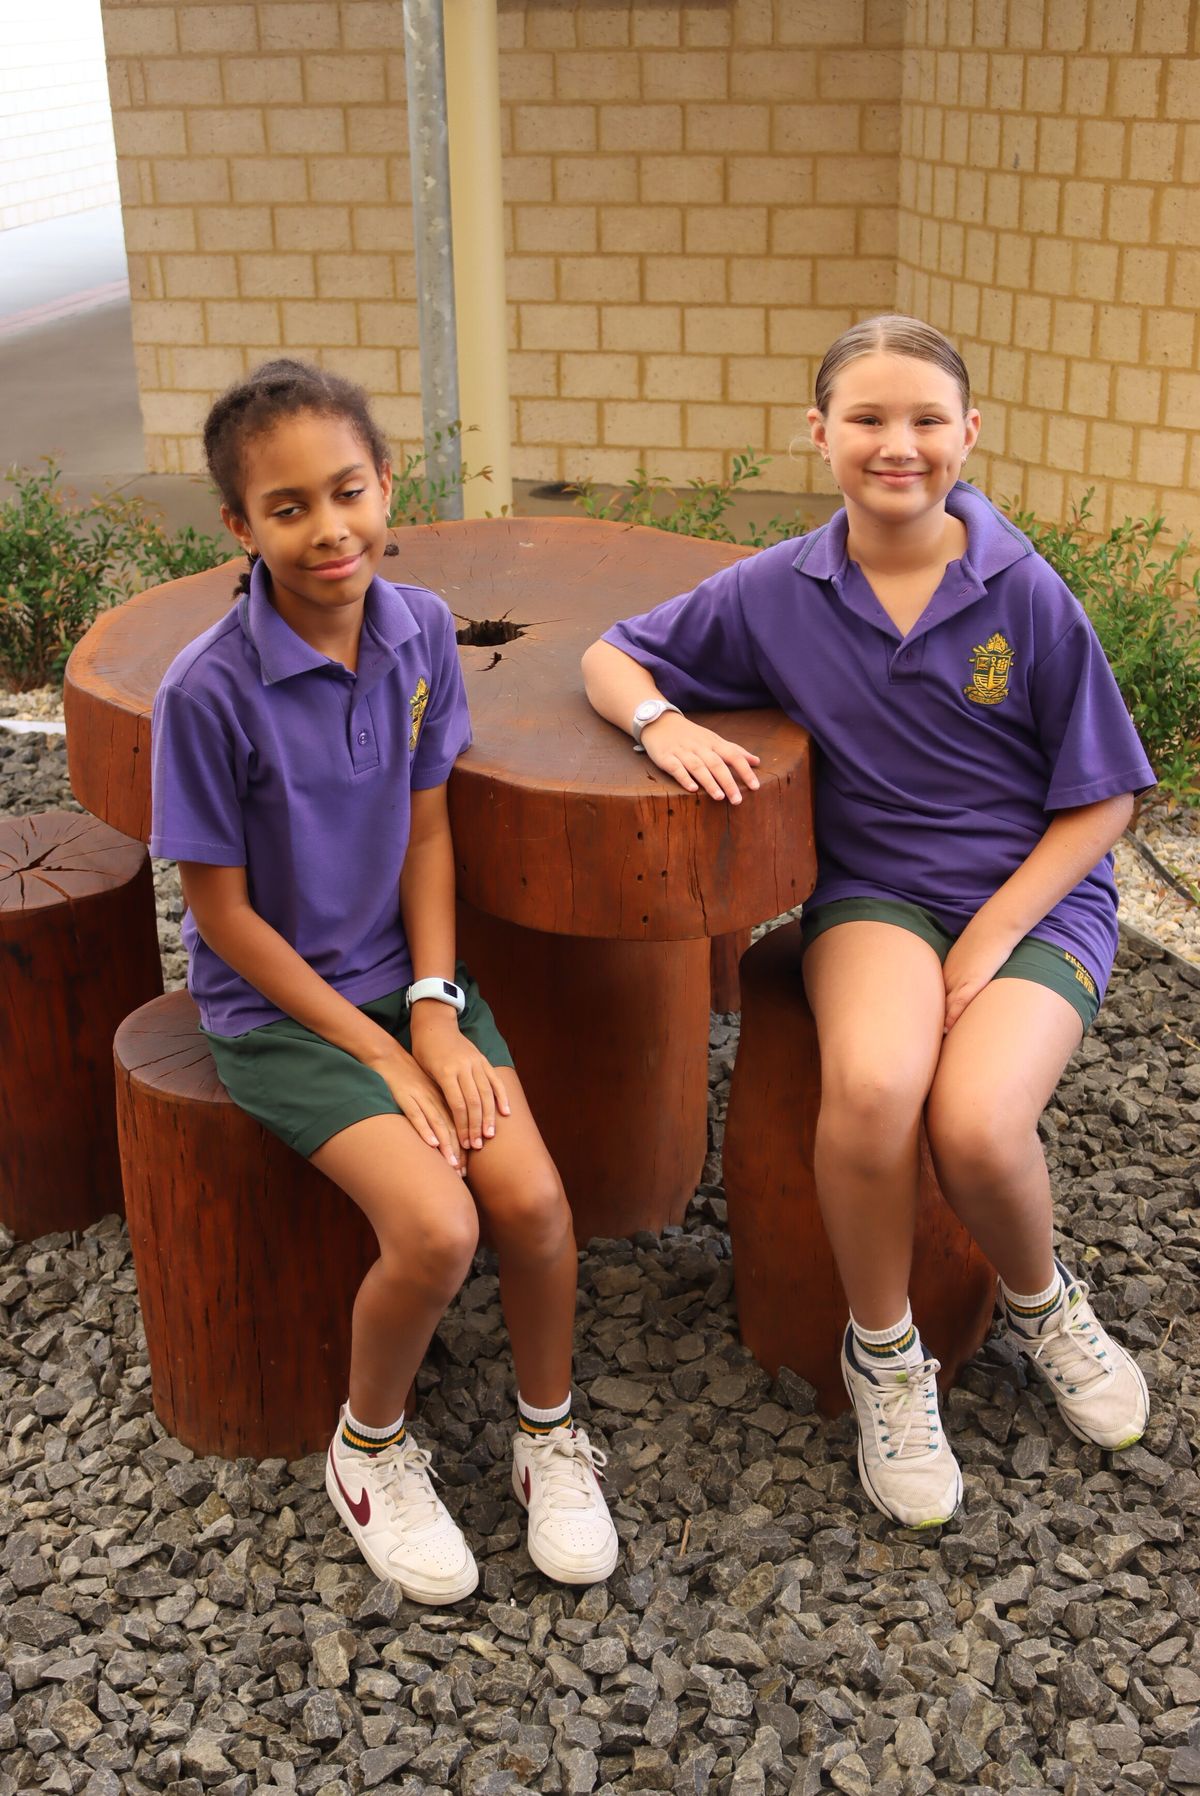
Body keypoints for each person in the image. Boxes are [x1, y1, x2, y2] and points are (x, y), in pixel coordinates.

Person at [582, 315, 1153, 1529]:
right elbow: (612, 656)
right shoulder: (777, 591)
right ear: (820, 432)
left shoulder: (1024, 591)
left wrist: (992, 936)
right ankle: (885, 1353)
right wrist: (661, 725)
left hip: (1034, 898)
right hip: (878, 895)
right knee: (877, 1087)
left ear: (969, 433)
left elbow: (1105, 797)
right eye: (869, 418)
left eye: (927, 419)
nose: (900, 444)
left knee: (980, 1124)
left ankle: (1047, 1303)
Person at [150, 358, 618, 1600]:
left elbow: (426, 832)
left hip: (407, 984)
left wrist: (432, 1009)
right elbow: (225, 918)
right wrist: (381, 1052)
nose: (328, 527)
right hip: (280, 1010)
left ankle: (548, 1430)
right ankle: (367, 1447)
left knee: (535, 1206)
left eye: (347, 489)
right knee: (438, 1225)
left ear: (386, 483)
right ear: (239, 525)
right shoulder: (208, 691)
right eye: (288, 506)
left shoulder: (417, 630)